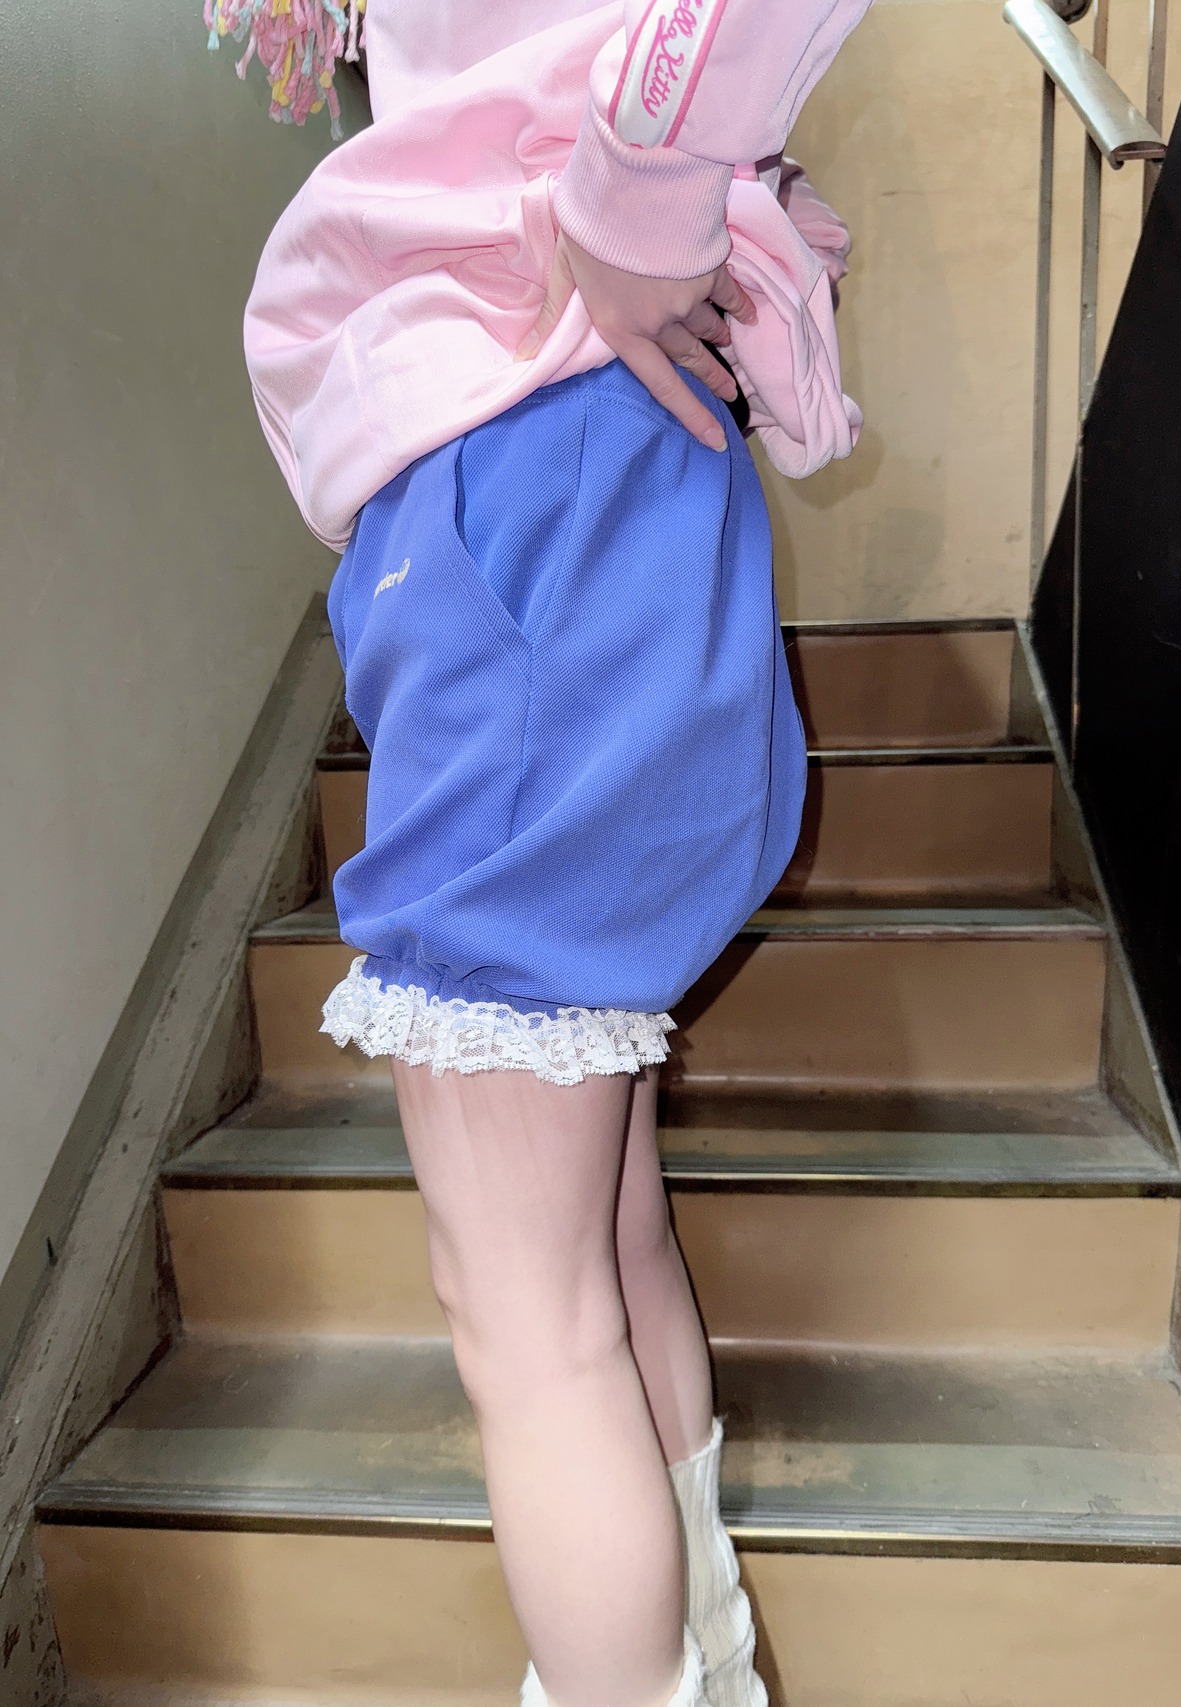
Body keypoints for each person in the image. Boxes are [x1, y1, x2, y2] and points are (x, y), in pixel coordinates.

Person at [241, 5, 872, 1704]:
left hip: (534, 460)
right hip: (577, 462)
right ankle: (703, 1664)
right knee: (596, 1249)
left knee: (523, 1309)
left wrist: (642, 187)